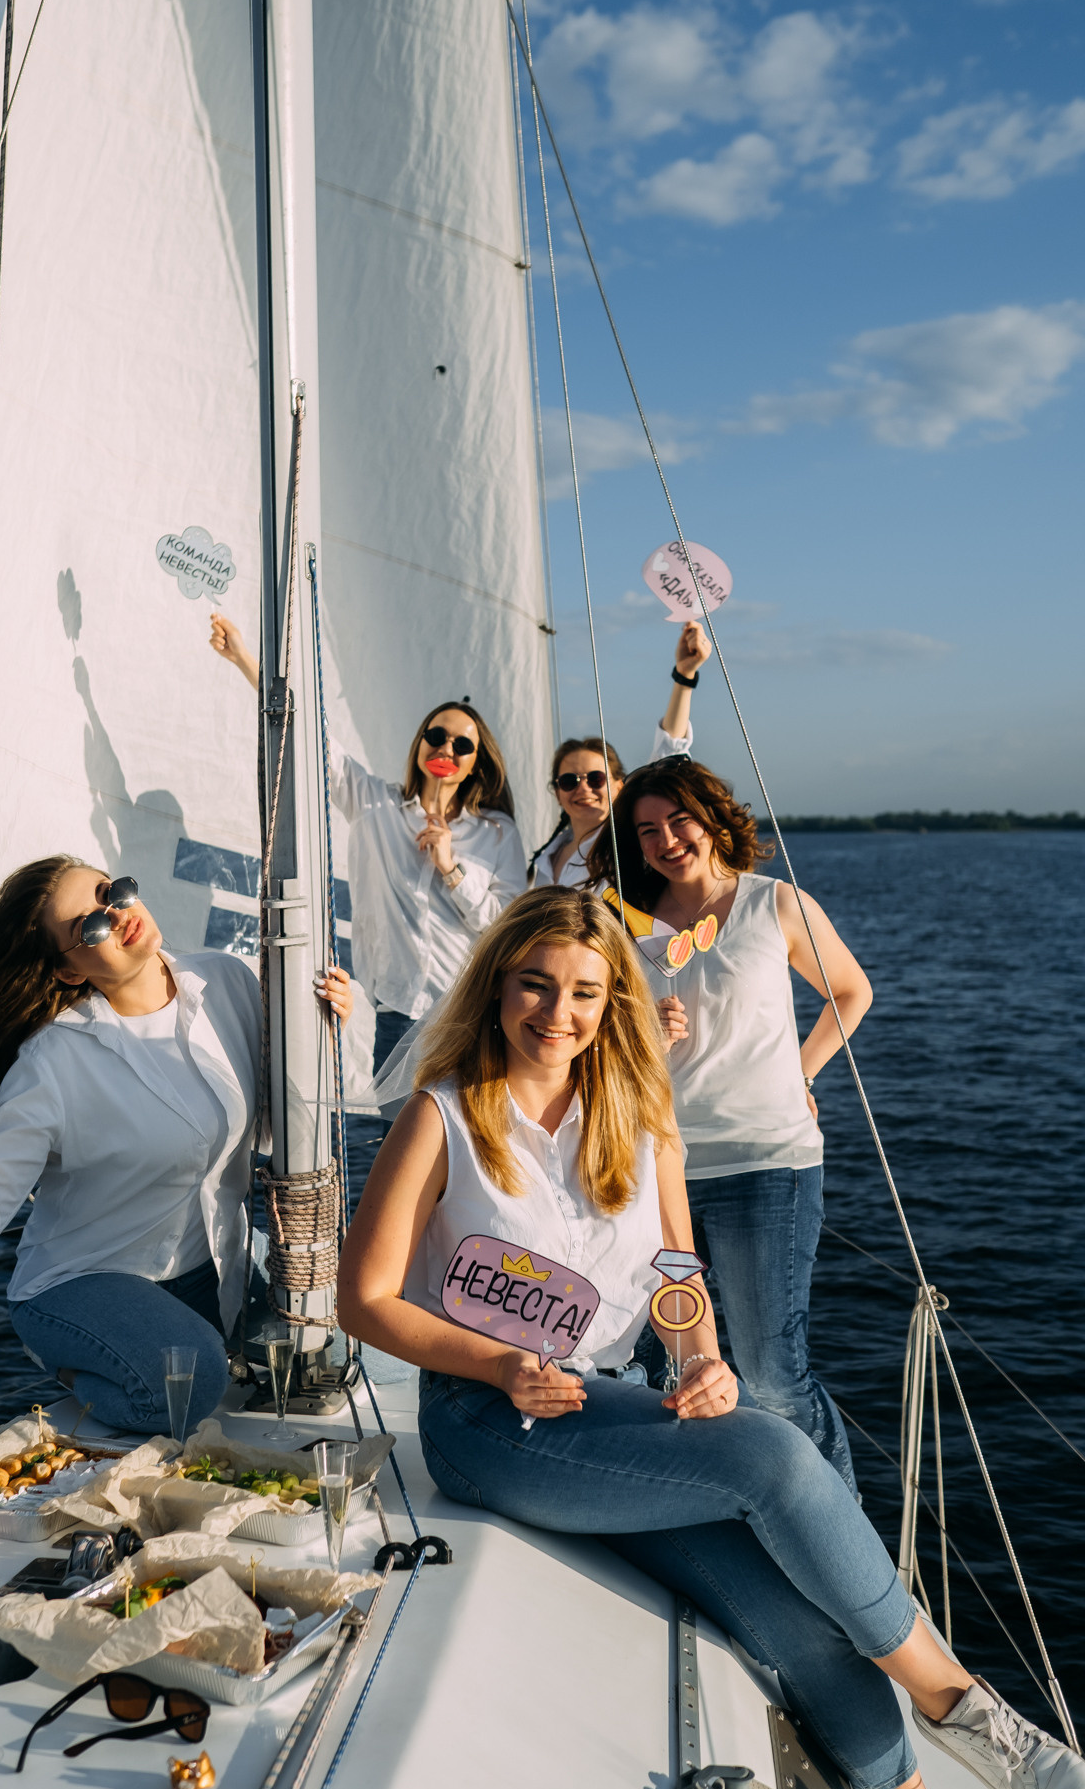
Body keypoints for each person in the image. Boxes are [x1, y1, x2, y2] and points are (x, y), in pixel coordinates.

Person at [336, 888, 1085, 1789]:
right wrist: (497, 1366)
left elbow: (675, 1269)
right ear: (496, 989)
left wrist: (703, 1359)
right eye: (534, 986)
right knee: (773, 1458)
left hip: (614, 1407)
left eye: (583, 995)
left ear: (612, 1006)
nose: (555, 1015)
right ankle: (957, 1702)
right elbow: (362, 1301)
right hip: (491, 1421)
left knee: (794, 1617)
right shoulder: (442, 1116)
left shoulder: (639, 1114)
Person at [0, 856, 352, 1434]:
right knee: (192, 1389)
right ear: (68, 972)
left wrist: (323, 1027)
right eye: (88, 928)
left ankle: (177, 1342)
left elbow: (270, 1123)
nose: (115, 916)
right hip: (85, 1281)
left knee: (330, 1333)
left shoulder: (227, 981)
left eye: (111, 892)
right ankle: (72, 1375)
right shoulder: (54, 1061)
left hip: (211, 1266)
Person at [587, 757, 868, 1493]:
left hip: (764, 1165)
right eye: (646, 830)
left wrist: (802, 1073)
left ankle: (838, 1527)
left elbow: (849, 991)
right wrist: (643, 1027)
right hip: (656, 1171)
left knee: (771, 1375)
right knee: (658, 1369)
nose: (665, 840)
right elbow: (586, 1031)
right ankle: (691, 1505)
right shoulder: (624, 921)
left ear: (712, 818)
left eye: (678, 820)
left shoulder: (774, 904)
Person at [210, 611, 526, 1083]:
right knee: (401, 1140)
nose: (446, 749)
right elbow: (311, 736)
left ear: (476, 765)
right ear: (420, 745)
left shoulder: (497, 832)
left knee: (471, 1148)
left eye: (462, 745)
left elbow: (506, 927)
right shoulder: (374, 803)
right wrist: (243, 659)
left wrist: (451, 870)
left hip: (472, 1012)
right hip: (398, 1014)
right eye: (435, 736)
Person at [528, 621, 710, 888]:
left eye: (596, 778)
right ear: (557, 792)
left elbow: (669, 755)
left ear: (618, 786)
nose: (583, 788)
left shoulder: (628, 843)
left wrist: (684, 677)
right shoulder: (546, 855)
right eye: (569, 781)